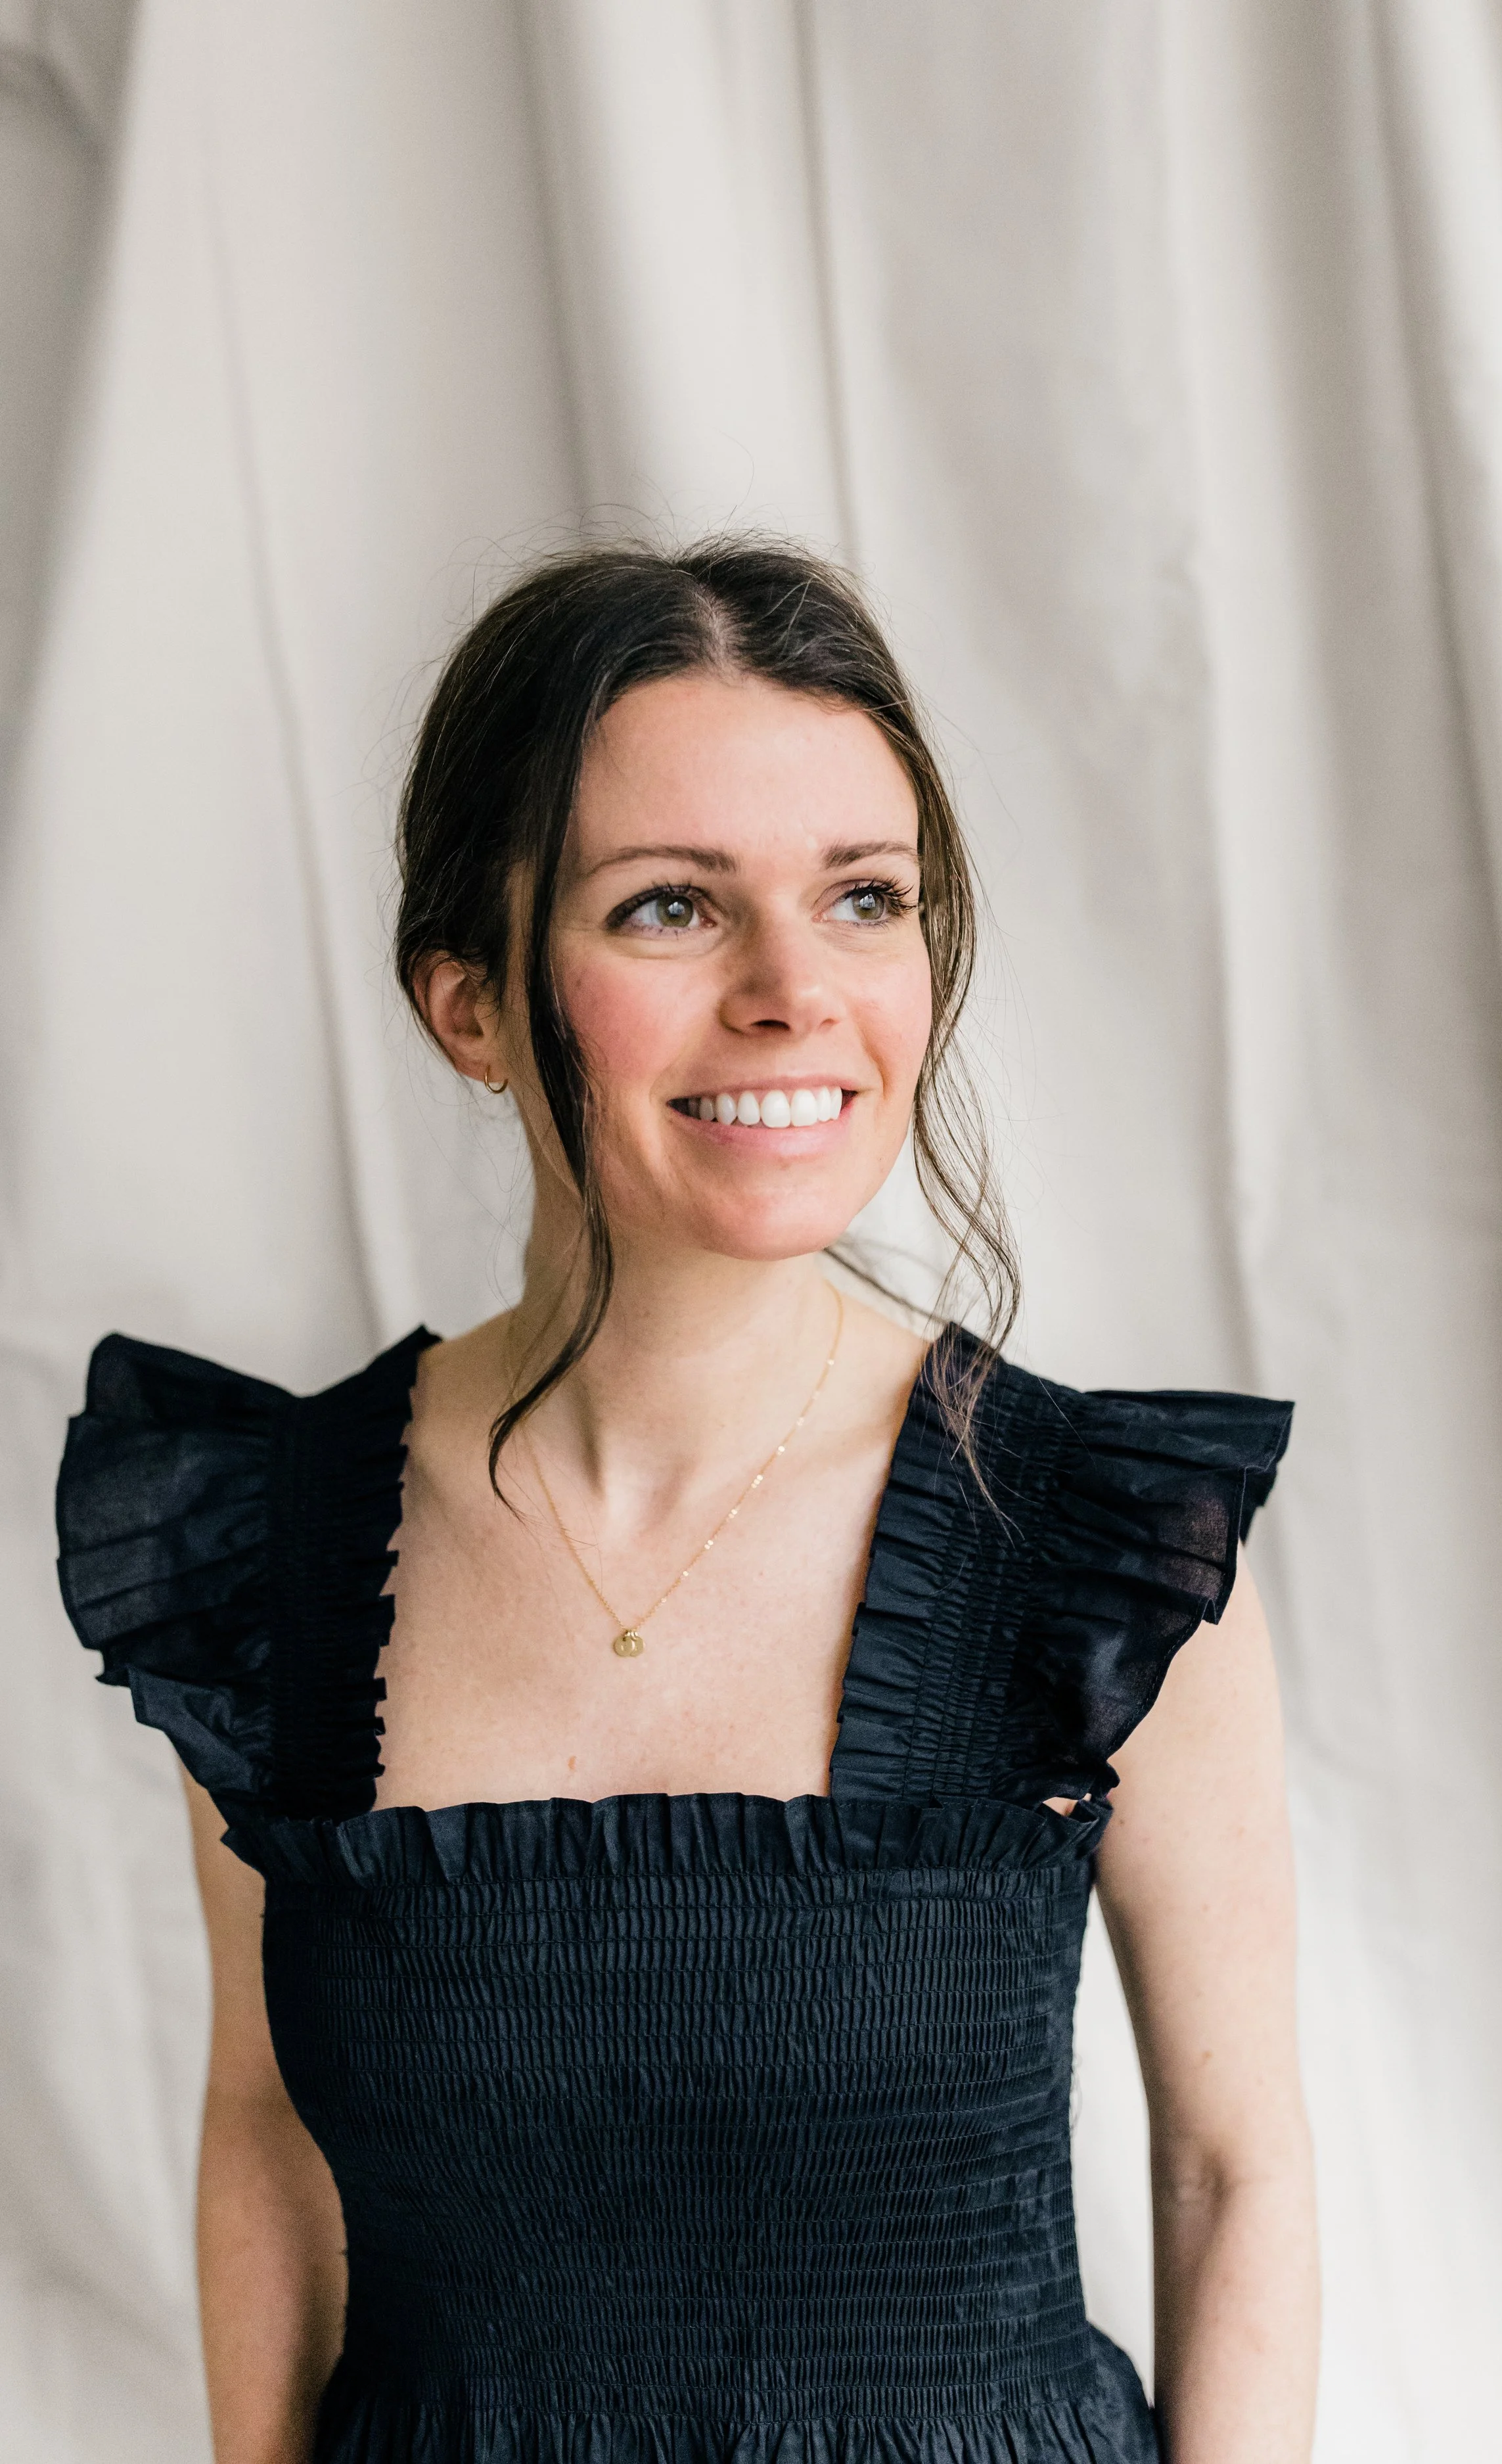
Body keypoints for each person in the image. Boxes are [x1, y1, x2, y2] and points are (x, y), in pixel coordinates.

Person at [56, 539, 1318, 2464]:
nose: (793, 991)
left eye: (864, 899)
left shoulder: (1091, 1540)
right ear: (468, 1000)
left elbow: (1231, 2175)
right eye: (668, 907)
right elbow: (264, 2134)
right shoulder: (268, 1548)